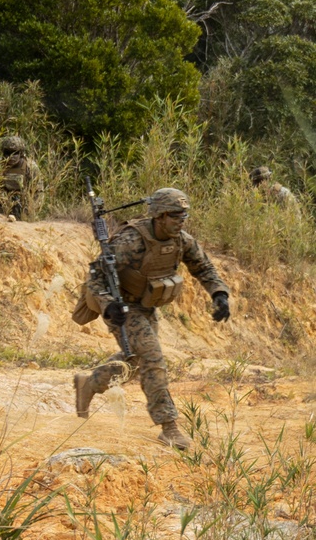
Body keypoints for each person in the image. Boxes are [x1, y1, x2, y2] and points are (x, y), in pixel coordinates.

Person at [73, 187, 231, 450]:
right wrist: (108, 304)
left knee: (134, 363)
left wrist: (219, 293)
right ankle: (169, 427)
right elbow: (96, 276)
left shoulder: (181, 240)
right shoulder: (131, 241)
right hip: (121, 308)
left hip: (146, 306)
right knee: (153, 359)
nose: (181, 220)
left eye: (184, 215)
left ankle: (88, 385)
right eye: (175, 215)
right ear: (159, 216)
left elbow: (203, 266)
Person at [0, 135, 40, 219]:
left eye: (15, 153)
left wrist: (31, 210)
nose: (11, 156)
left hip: (23, 206)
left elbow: (38, 191)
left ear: (21, 153)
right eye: (7, 153)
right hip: (1, 205)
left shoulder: (30, 166)